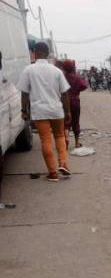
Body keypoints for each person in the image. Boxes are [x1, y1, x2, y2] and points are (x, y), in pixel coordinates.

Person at [17, 42, 71, 182]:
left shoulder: (28, 70)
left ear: (34, 53)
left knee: (45, 140)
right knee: (59, 136)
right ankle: (63, 164)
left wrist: (24, 110)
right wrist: (67, 112)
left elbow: (24, 93)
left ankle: (52, 173)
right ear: (48, 54)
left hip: (39, 112)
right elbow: (64, 94)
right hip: (56, 111)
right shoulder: (57, 71)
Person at [62, 59, 87, 149]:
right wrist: (77, 90)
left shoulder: (62, 77)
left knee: (66, 122)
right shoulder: (76, 77)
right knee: (75, 122)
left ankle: (66, 139)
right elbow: (84, 86)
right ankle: (77, 143)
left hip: (64, 102)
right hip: (75, 102)